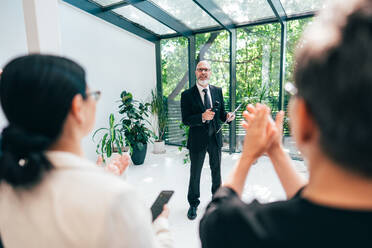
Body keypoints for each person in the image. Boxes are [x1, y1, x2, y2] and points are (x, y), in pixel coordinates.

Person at [200, 0, 372, 247]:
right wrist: (276, 150)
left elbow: (215, 218)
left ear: (303, 120)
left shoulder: (247, 231)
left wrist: (247, 156)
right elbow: (323, 210)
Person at [0, 54, 172, 248]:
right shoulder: (116, 197)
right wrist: (160, 225)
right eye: (93, 95)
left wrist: (101, 177)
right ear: (77, 107)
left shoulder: (7, 187)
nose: (95, 102)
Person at [181, 60, 235, 220]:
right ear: (196, 72)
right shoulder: (187, 95)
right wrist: (201, 117)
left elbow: (221, 114)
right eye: (200, 69)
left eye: (206, 69)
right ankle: (193, 204)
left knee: (216, 172)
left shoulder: (217, 90)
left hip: (215, 138)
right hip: (197, 140)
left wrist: (228, 117)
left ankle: (217, 202)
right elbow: (186, 119)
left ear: (210, 72)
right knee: (195, 173)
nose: (203, 72)